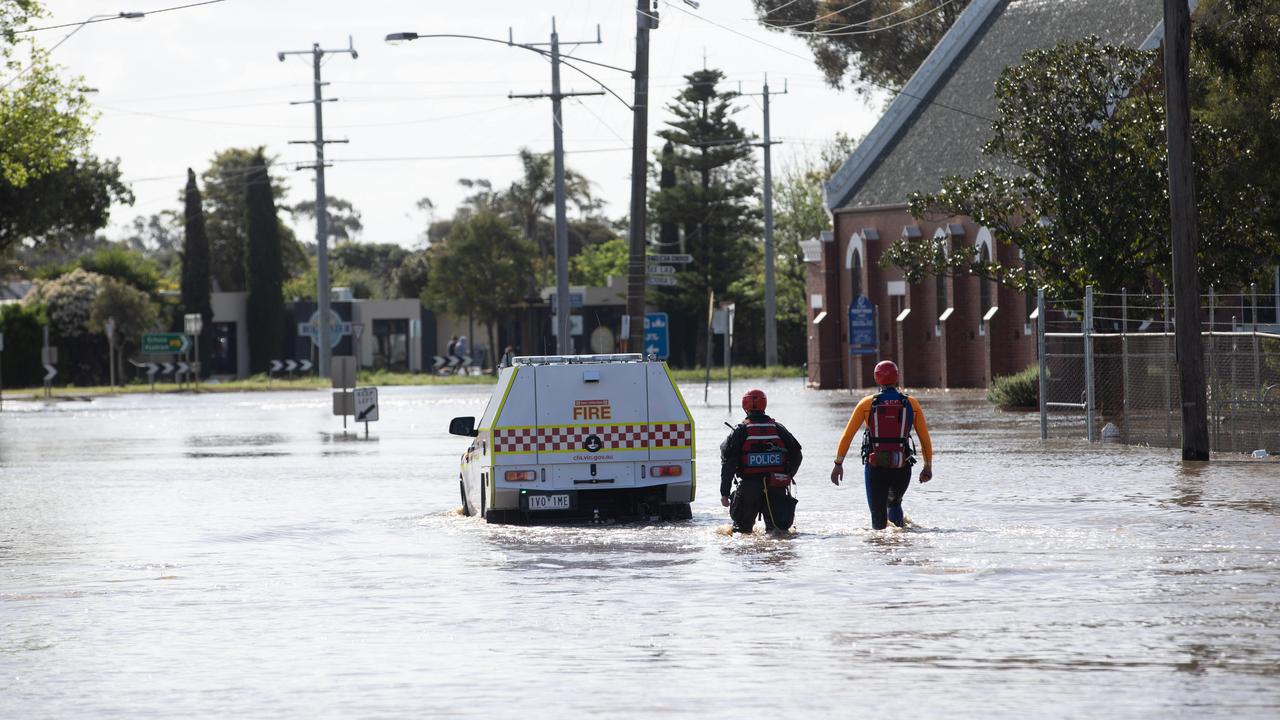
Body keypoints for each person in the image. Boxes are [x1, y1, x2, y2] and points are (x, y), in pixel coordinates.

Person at [830, 360, 933, 530]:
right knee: (894, 504)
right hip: (902, 466)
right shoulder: (911, 403)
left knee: (878, 519)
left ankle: (881, 552)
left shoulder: (866, 404)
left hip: (875, 466)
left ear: (877, 379)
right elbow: (924, 439)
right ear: (897, 377)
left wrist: (838, 464)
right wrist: (927, 466)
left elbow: (847, 435)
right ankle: (900, 546)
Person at [721, 388, 803, 533]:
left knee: (742, 532)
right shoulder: (778, 429)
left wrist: (725, 493)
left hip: (748, 488)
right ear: (764, 405)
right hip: (776, 486)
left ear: (744, 407)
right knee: (778, 532)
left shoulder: (740, 431)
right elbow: (797, 453)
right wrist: (788, 475)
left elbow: (728, 462)